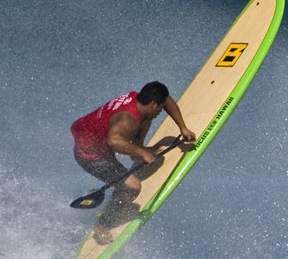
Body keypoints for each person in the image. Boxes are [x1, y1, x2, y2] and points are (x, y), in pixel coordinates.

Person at [71, 82, 196, 240]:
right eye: (159, 107)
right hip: (90, 154)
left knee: (147, 118)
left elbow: (166, 100)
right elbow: (114, 141)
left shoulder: (139, 101)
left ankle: (137, 150)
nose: (160, 111)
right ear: (153, 104)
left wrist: (182, 127)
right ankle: (103, 224)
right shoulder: (128, 119)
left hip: (93, 136)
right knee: (132, 186)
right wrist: (141, 152)